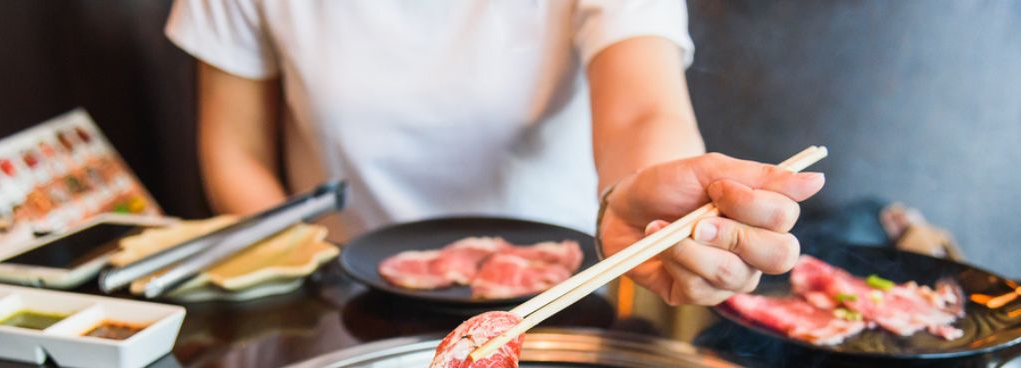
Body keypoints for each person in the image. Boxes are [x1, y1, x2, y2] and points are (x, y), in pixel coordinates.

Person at [166, 0, 824, 305]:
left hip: (562, 300)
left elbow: (644, 109)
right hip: (344, 302)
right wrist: (314, 274)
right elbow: (234, 152)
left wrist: (661, 208)